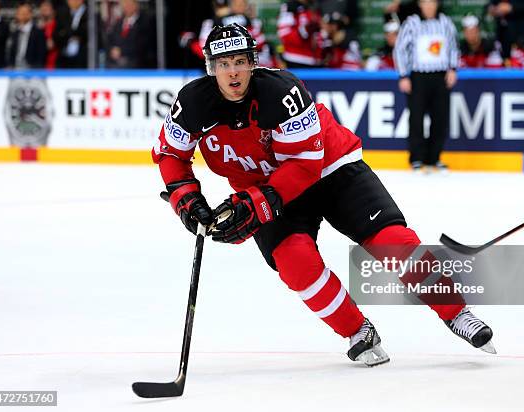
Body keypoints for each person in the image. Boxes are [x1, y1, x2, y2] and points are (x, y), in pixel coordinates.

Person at [152, 23, 496, 366]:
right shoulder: (193, 102)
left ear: (253, 62)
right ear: (211, 68)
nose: (233, 72)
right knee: (294, 264)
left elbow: (306, 164)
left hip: (330, 168)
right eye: (224, 64)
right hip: (266, 188)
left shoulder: (282, 91)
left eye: (240, 61)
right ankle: (357, 330)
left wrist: (257, 203)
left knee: (392, 241)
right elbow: (171, 155)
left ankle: (456, 312)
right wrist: (187, 201)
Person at [395, 0, 458, 172]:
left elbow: (453, 46)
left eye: (432, 3)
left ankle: (434, 157)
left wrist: (452, 68)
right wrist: (403, 75)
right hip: (418, 77)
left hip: (440, 76)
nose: (429, 6)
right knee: (416, 118)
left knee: (440, 118)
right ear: (420, 5)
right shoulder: (411, 23)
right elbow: (400, 49)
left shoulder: (445, 22)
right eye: (426, 3)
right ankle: (416, 157)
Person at [106, 0, 155, 68]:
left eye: (129, 4)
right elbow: (110, 40)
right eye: (124, 4)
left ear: (136, 5)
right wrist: (112, 50)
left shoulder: (144, 22)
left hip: (135, 62)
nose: (126, 6)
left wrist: (122, 51)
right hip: (115, 62)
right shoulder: (118, 22)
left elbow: (141, 44)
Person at [277, 0, 324, 67]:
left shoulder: (316, 6)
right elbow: (284, 34)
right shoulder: (290, 7)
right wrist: (305, 31)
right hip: (296, 60)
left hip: (317, 61)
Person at [6, 2, 47, 69]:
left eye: (25, 12)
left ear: (30, 14)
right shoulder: (14, 33)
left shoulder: (38, 33)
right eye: (20, 12)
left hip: (32, 71)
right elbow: (11, 53)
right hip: (14, 70)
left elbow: (41, 54)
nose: (23, 15)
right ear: (17, 15)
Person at [54, 0, 87, 68]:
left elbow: (86, 33)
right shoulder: (62, 13)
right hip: (64, 59)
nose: (69, 1)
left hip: (83, 60)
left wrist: (67, 33)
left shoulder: (90, 14)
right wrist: (70, 35)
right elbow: (57, 34)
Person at [38, 0, 58, 69]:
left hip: (55, 66)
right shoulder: (38, 27)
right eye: (42, 6)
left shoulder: (58, 26)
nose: (44, 8)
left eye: (47, 6)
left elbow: (51, 45)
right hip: (39, 66)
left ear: (53, 10)